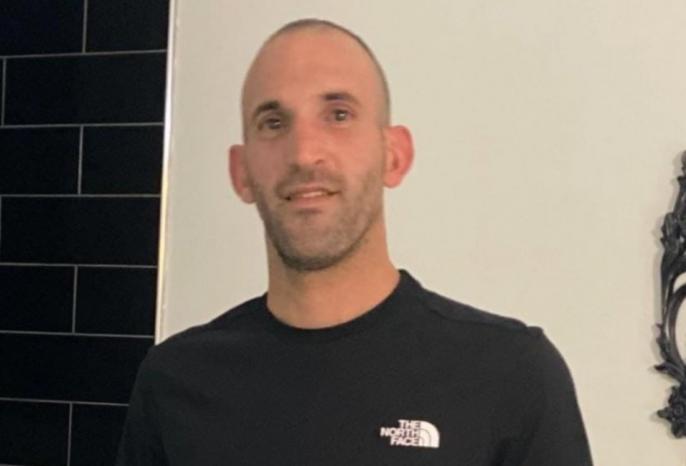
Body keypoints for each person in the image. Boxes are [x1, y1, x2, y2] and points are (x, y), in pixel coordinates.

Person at [116, 18, 593, 465]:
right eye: (274, 123)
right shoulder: (174, 381)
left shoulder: (512, 375)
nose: (304, 153)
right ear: (240, 173)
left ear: (394, 156)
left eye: (338, 115)